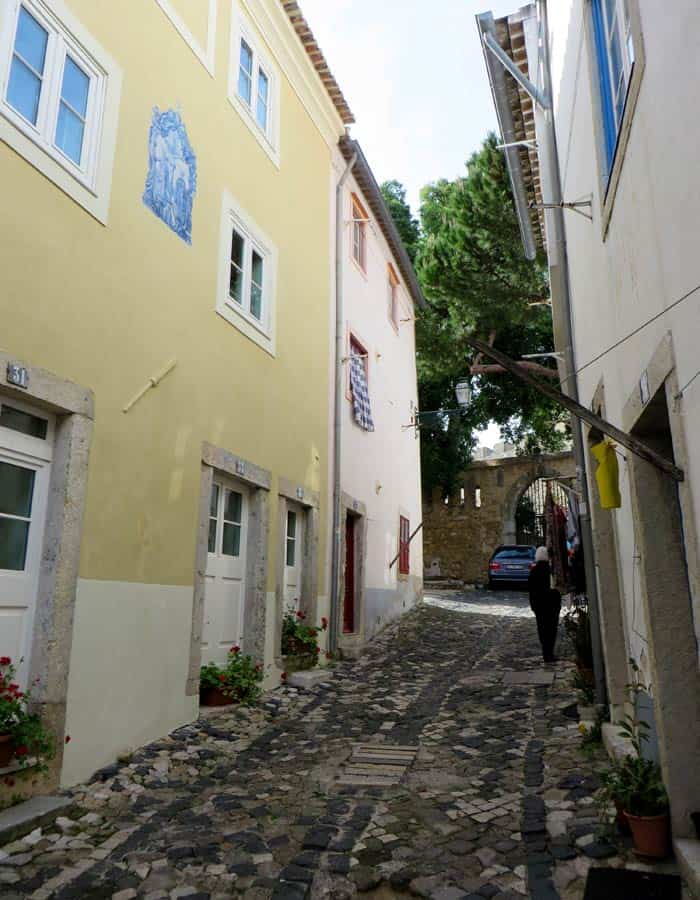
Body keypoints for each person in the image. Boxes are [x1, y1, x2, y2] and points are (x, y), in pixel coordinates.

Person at [528, 546, 561, 663]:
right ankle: (550, 653)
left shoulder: (533, 571)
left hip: (539, 606)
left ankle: (545, 653)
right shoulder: (551, 571)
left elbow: (531, 590)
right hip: (552, 605)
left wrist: (533, 606)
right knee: (551, 629)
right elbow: (557, 588)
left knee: (542, 630)